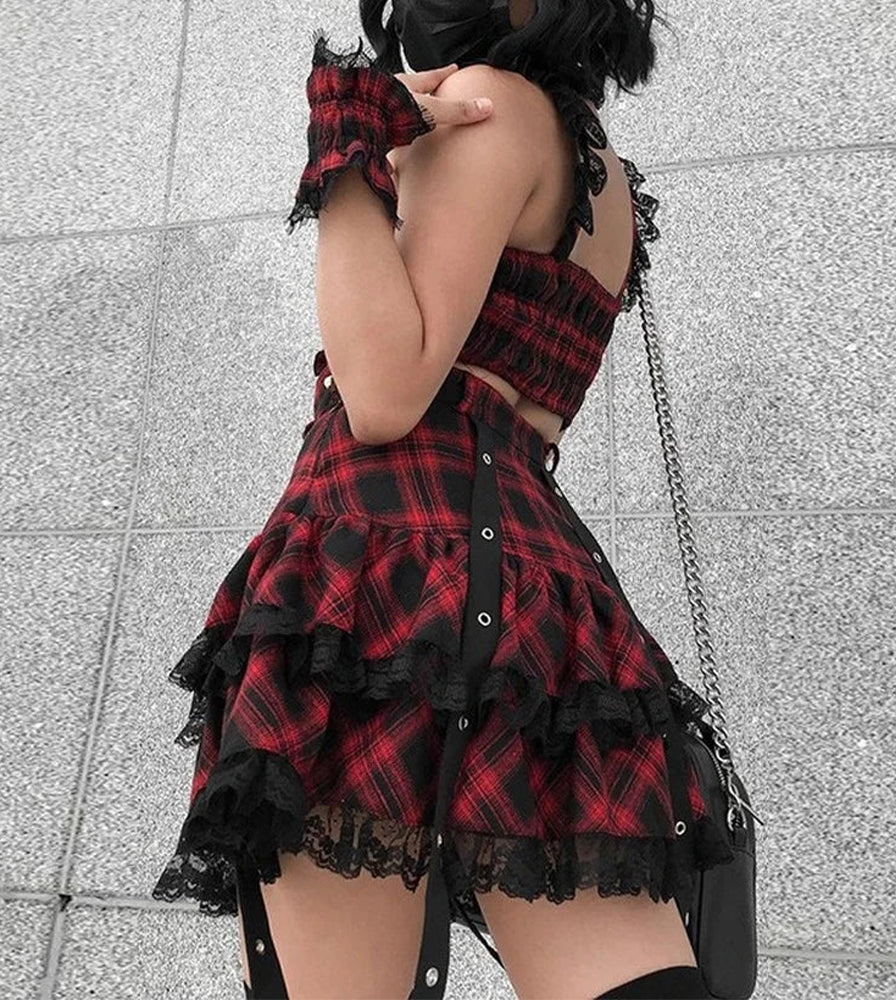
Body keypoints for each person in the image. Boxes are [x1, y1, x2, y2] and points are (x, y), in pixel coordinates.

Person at [151, 1, 736, 997]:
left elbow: (382, 393)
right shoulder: (598, 172)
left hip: (380, 571)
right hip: (543, 599)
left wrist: (347, 144)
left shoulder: (485, 105)